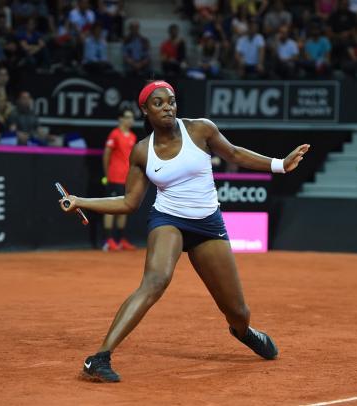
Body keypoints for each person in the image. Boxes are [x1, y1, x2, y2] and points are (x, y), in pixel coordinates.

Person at [59, 80, 310, 382]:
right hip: (169, 220)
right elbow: (128, 202)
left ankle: (243, 331)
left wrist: (280, 164)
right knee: (155, 280)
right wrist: (79, 201)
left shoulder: (200, 129)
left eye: (171, 101)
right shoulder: (141, 152)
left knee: (239, 312)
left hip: (208, 225)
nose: (167, 107)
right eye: (159, 103)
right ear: (145, 110)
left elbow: (234, 154)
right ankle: (99, 358)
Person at [101, 108, 137, 252]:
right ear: (120, 119)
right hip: (114, 177)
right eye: (127, 117)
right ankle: (108, 240)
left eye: (132, 118)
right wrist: (107, 174)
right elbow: (106, 155)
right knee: (110, 209)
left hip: (127, 179)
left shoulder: (133, 136)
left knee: (124, 208)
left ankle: (121, 240)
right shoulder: (114, 134)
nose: (130, 120)